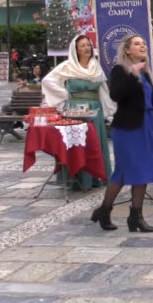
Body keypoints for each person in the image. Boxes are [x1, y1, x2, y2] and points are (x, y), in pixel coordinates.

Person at [91, 35, 153, 232]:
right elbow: (116, 95)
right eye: (138, 44)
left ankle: (135, 216)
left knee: (143, 170)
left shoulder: (144, 72)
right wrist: (131, 74)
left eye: (144, 43)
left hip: (146, 125)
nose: (143, 46)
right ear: (127, 50)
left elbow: (152, 99)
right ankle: (106, 210)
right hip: (128, 129)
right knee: (124, 171)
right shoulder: (120, 70)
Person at [42, 35, 116, 191]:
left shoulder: (96, 67)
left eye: (88, 45)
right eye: (82, 46)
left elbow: (103, 91)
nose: (87, 48)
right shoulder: (67, 67)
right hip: (74, 110)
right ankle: (76, 179)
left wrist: (110, 111)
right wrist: (64, 94)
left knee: (93, 144)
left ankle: (95, 178)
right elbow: (47, 81)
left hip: (94, 111)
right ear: (75, 49)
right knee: (78, 144)